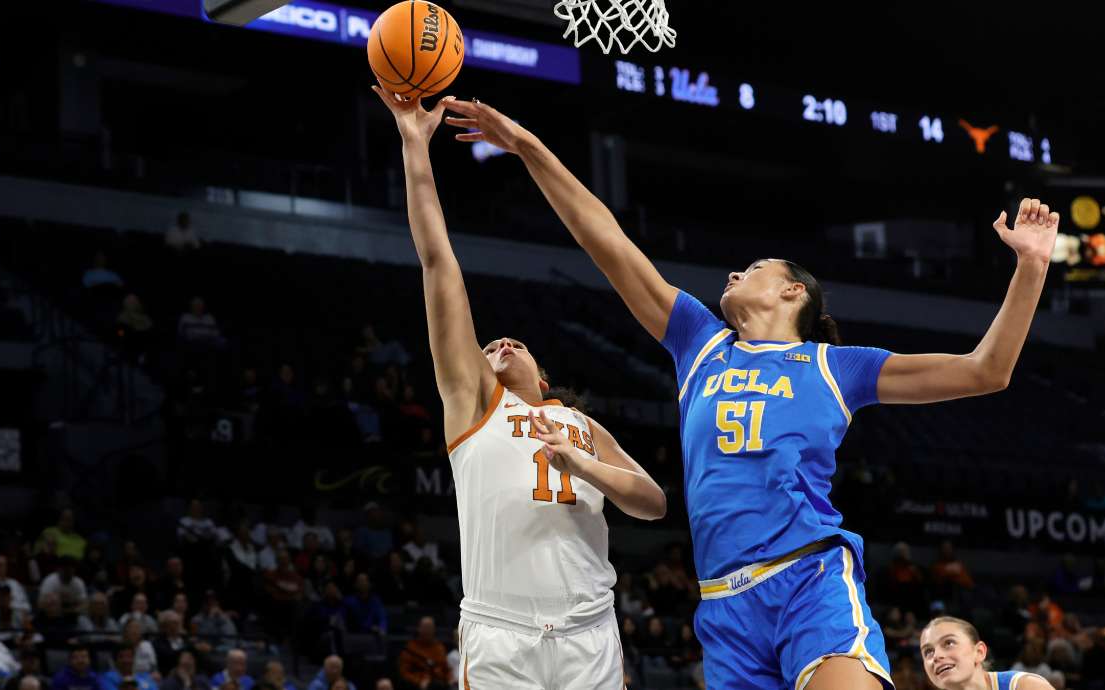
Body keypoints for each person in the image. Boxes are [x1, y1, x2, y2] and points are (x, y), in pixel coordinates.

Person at [441, 96, 1061, 690]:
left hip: (807, 578)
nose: (734, 274)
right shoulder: (700, 343)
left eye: (755, 268)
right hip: (724, 606)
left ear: (794, 292)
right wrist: (525, 146)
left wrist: (1030, 268)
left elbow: (986, 370)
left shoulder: (837, 367)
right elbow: (602, 237)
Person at [372, 85, 667, 690]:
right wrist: (414, 149)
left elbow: (653, 502)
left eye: (515, 343)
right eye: (489, 347)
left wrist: (584, 465)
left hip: (589, 628)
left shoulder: (583, 426)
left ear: (546, 376)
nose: (500, 345)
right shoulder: (476, 403)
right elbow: (438, 265)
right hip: (502, 631)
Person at [919, 617, 1051, 690]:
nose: (936, 656)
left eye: (949, 643)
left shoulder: (1025, 686)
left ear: (979, 652)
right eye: (928, 651)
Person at [396, 619, 448, 690]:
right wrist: (419, 681)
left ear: (434, 630)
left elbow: (446, 669)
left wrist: (450, 679)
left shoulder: (439, 648)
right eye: (425, 627)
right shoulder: (410, 648)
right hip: (417, 684)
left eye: (430, 628)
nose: (427, 631)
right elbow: (404, 672)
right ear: (419, 629)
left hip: (437, 683)